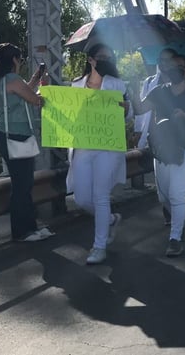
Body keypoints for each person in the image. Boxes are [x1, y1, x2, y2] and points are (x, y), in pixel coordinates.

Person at [132, 53, 185, 257]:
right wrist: (130, 90)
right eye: (170, 65)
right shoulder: (158, 92)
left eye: (179, 66)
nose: (174, 69)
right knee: (164, 194)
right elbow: (139, 110)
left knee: (176, 192)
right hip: (163, 149)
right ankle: (181, 218)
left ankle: (175, 239)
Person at [66, 43, 131, 264]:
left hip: (108, 147)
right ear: (91, 60)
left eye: (109, 57)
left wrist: (124, 108)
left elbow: (129, 113)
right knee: (82, 198)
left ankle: (99, 246)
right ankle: (111, 220)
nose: (105, 60)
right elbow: (67, 113)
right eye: (101, 57)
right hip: (83, 146)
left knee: (100, 196)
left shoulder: (118, 85)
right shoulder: (76, 86)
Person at [0, 43, 53, 242]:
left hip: (6, 134)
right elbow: (35, 100)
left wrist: (36, 78)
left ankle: (30, 227)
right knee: (23, 185)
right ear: (14, 59)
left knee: (23, 183)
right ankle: (23, 231)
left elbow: (24, 92)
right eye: (20, 59)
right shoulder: (13, 79)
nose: (21, 63)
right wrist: (46, 90)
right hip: (16, 135)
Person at [134, 48, 176, 225]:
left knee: (176, 187)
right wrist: (138, 133)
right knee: (163, 191)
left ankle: (177, 223)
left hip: (179, 141)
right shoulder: (150, 83)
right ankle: (173, 215)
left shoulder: (183, 84)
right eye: (161, 60)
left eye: (168, 60)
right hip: (157, 140)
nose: (164, 64)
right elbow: (142, 111)